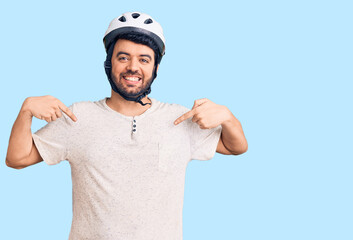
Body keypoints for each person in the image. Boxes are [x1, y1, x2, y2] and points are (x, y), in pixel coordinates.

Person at [6, 12, 248, 240]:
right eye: (123, 57)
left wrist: (228, 117)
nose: (133, 67)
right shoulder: (78, 117)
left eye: (144, 59)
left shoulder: (180, 119)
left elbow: (235, 146)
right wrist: (25, 111)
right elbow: (17, 158)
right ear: (109, 63)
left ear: (155, 68)